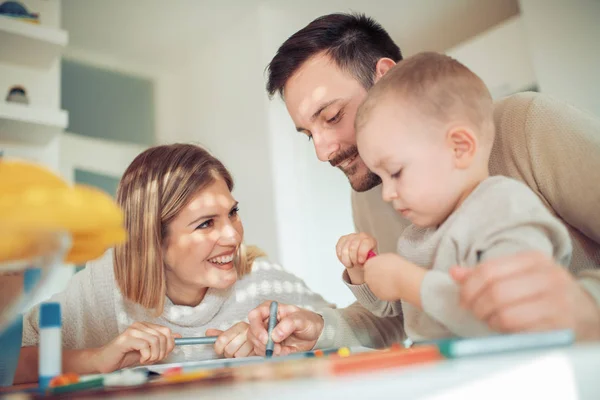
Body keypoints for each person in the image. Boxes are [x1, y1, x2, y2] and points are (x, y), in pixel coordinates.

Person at [248, 13, 600, 355]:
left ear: (385, 77)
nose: (323, 153)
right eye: (309, 135)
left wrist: (583, 307)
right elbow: (404, 317)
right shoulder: (373, 188)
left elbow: (490, 308)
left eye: (332, 116)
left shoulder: (526, 125)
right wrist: (322, 328)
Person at [15, 144, 332, 384]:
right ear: (154, 241)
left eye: (232, 213)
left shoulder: (262, 282)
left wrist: (286, 344)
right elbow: (10, 361)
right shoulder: (105, 284)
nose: (234, 237)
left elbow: (363, 330)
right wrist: (97, 358)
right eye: (206, 223)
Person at [337, 51, 572, 340]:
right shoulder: (417, 237)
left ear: (459, 148)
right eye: (381, 177)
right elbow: (394, 307)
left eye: (395, 172)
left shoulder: (505, 209)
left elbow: (512, 314)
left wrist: (409, 283)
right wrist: (364, 271)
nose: (387, 193)